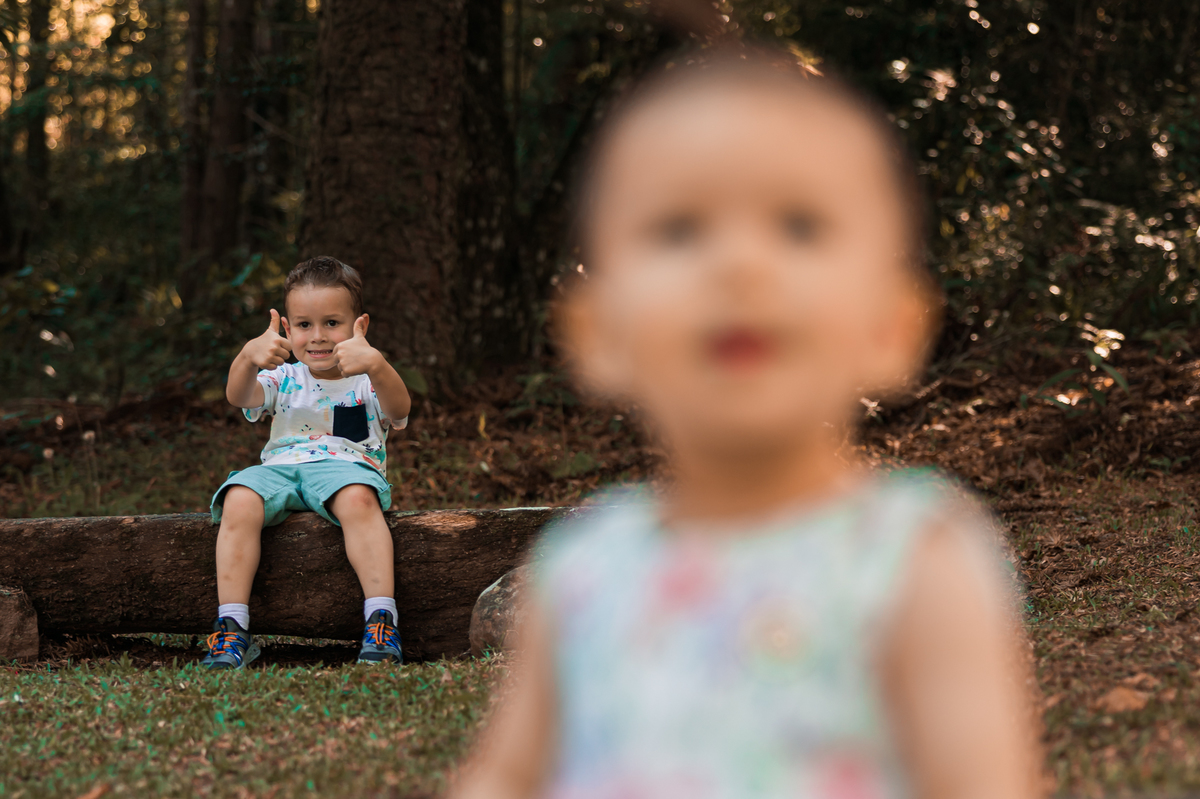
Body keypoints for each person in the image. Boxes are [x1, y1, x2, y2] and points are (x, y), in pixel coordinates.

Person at [451, 47, 1041, 799]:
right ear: (599, 335)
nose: (739, 263)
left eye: (799, 226)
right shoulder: (580, 571)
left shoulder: (918, 561)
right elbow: (505, 775)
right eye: (679, 229)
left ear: (891, 326)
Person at [202, 256, 411, 669]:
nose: (318, 337)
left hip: (346, 470)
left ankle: (381, 621)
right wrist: (247, 358)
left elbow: (401, 408)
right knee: (240, 497)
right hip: (281, 469)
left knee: (358, 500)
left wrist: (379, 364)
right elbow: (239, 397)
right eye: (303, 325)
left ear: (359, 327)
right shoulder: (285, 378)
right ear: (286, 329)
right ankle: (231, 628)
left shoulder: (368, 379)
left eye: (332, 323)